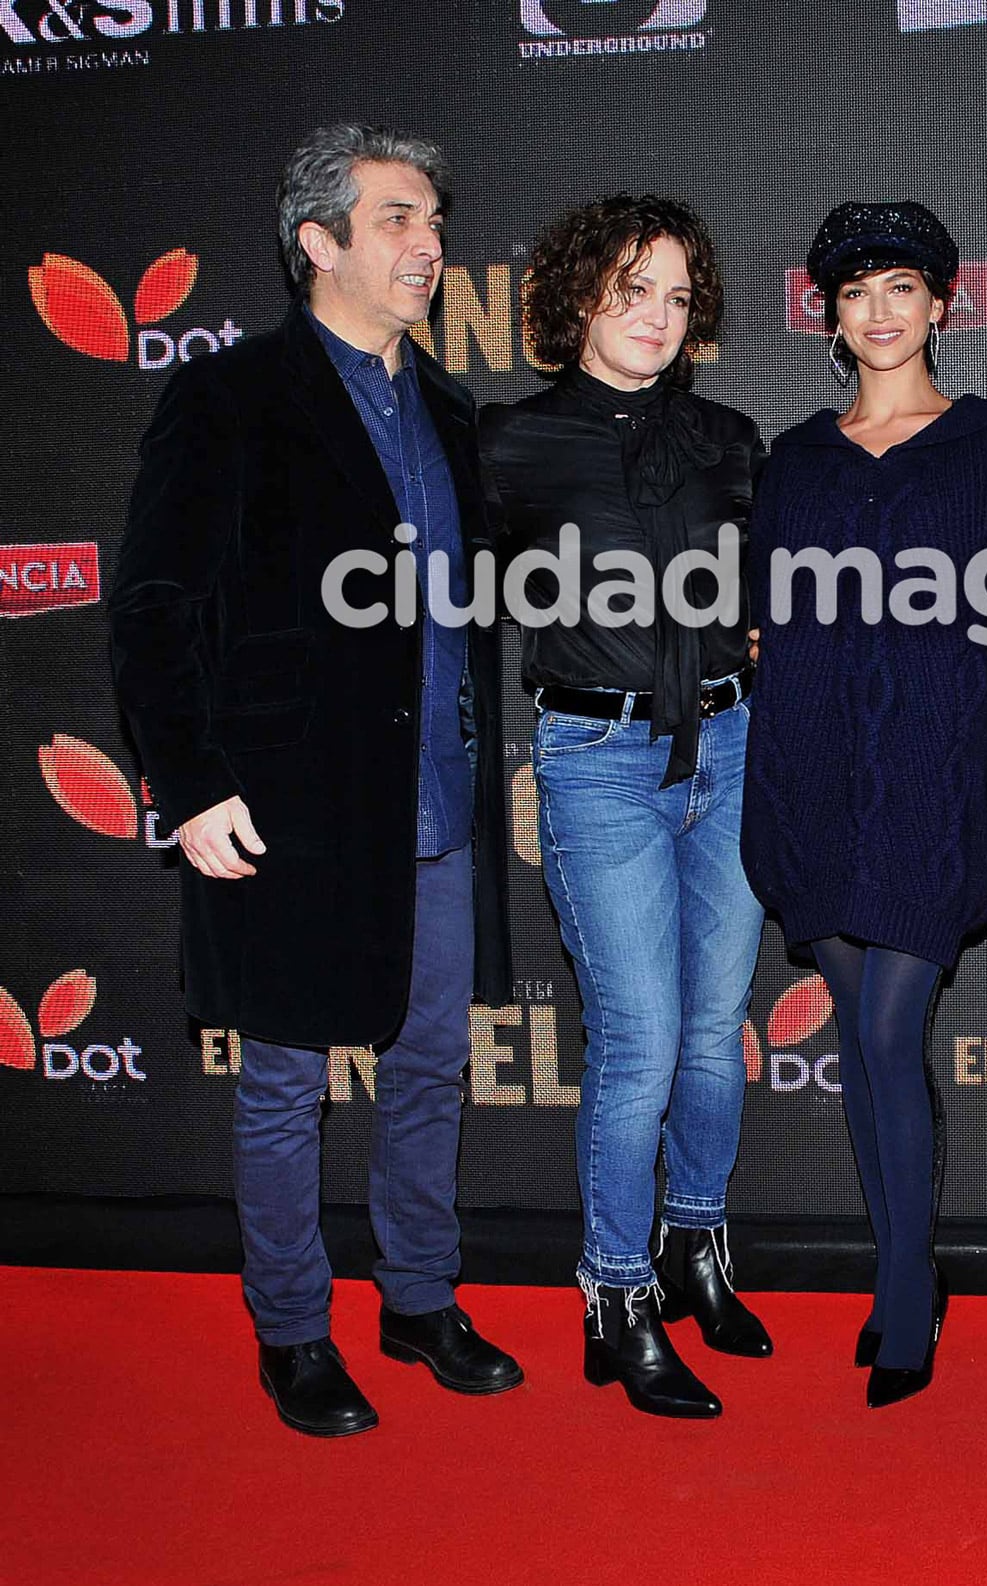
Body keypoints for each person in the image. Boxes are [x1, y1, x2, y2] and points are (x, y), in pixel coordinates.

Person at [109, 124, 521, 1438]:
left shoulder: (452, 409)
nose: (429, 244)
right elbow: (154, 606)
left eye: (433, 221)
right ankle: (293, 1329)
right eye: (397, 219)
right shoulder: (230, 397)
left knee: (427, 1067)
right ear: (320, 243)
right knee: (287, 1083)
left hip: (441, 799)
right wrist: (190, 780)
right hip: (285, 805)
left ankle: (418, 1298)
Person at [742, 201, 987, 1409]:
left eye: (900, 288)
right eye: (854, 292)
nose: (877, 312)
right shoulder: (795, 459)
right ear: (829, 315)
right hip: (813, 786)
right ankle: (904, 1275)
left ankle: (903, 1294)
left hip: (937, 788)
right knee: (863, 1047)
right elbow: (767, 633)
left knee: (885, 1034)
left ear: (942, 303)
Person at [478, 194, 770, 1421]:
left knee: (713, 1031)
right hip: (595, 761)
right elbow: (450, 608)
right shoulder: (509, 442)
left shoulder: (727, 435)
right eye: (627, 290)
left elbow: (765, 588)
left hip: (733, 742)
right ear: (574, 301)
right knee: (642, 1036)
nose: (654, 315)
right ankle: (615, 1289)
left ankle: (698, 1243)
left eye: (674, 294)